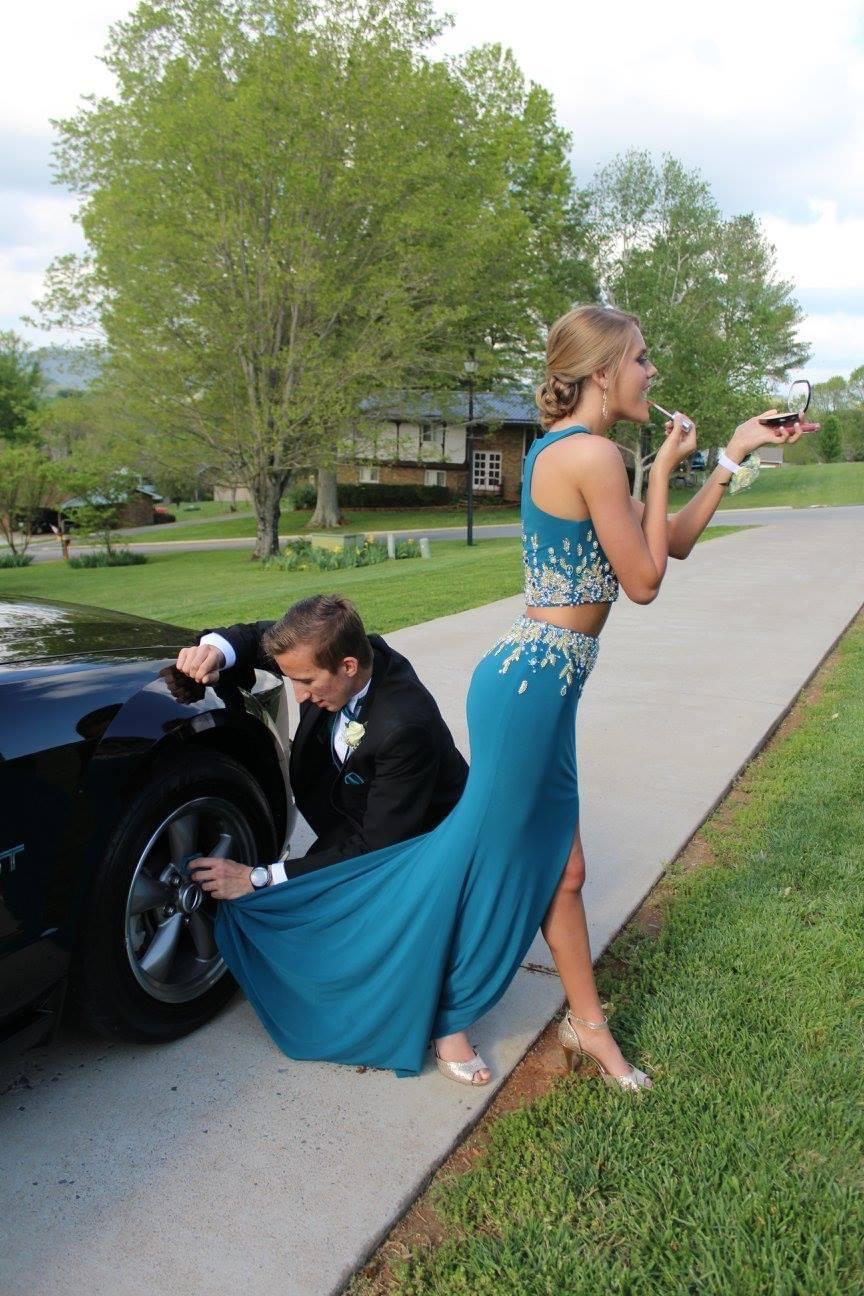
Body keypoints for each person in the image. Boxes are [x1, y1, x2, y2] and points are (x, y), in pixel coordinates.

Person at [191, 304, 817, 1089]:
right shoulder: (589, 455)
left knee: (564, 872)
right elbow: (647, 581)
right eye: (643, 360)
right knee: (486, 858)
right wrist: (661, 468)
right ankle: (434, 1000)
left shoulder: (582, 451)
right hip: (529, 690)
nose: (652, 373)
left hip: (539, 686)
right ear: (602, 372)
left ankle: (582, 1025)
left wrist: (729, 456)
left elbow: (673, 542)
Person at [176, 597, 468, 878]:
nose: (300, 695)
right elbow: (255, 636)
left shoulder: (404, 728)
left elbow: (378, 847)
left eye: (306, 681)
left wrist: (259, 877)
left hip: (423, 853)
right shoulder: (326, 653)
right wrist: (214, 651)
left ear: (348, 666)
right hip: (353, 826)